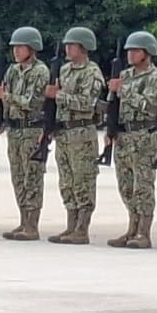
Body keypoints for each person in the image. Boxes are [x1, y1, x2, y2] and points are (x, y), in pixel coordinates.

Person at [45, 27, 104, 244]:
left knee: (83, 180)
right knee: (67, 181)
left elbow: (88, 103)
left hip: (82, 133)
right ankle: (71, 225)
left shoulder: (92, 72)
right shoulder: (64, 70)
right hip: (65, 132)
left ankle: (82, 228)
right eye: (67, 45)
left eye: (72, 45)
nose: (67, 49)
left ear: (84, 47)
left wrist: (58, 95)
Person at [106, 31, 157, 249]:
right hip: (124, 135)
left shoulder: (154, 77)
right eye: (129, 50)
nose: (131, 54)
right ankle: (132, 227)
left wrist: (123, 90)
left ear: (147, 53)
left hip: (143, 136)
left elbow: (150, 107)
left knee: (143, 186)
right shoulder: (125, 75)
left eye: (136, 50)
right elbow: (115, 107)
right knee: (126, 185)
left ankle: (143, 232)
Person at [0, 27, 49, 241]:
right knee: (18, 177)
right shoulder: (12, 70)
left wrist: (6, 97)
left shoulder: (40, 71)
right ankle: (23, 220)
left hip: (32, 128)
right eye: (15, 47)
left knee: (32, 178)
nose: (16, 51)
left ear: (32, 48)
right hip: (15, 129)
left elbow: (32, 102)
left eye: (21, 47)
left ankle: (32, 224)